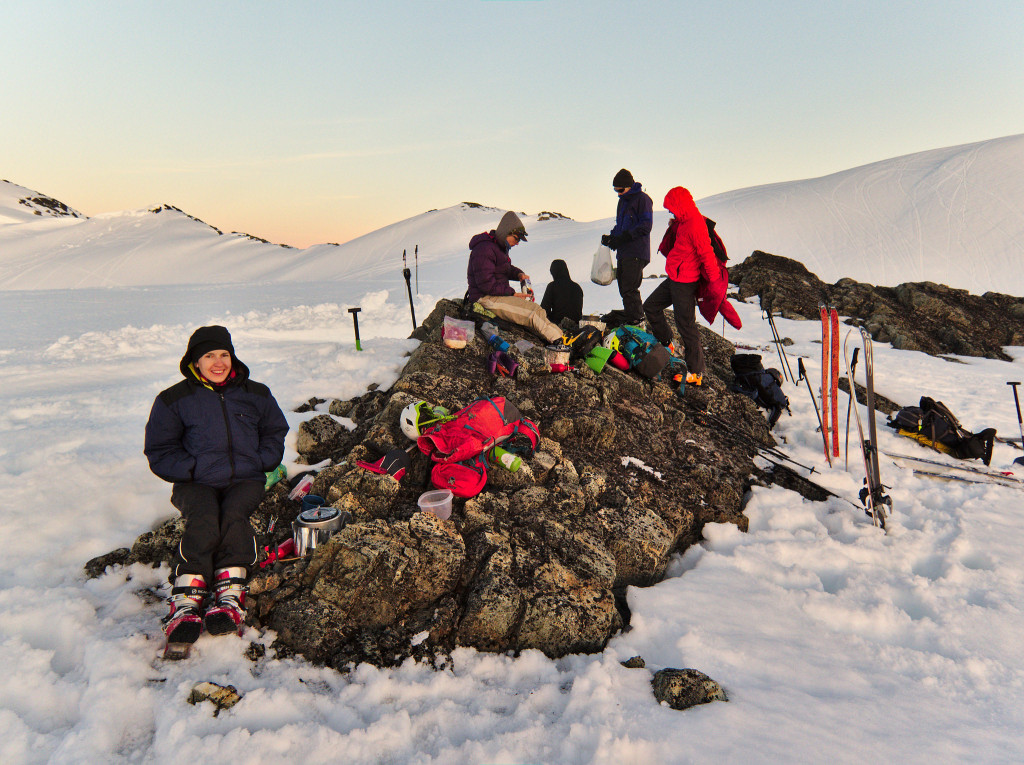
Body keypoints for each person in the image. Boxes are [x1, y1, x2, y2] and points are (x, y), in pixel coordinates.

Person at [144, 325, 288, 645]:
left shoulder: (256, 393)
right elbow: (160, 450)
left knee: (235, 515)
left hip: (245, 478)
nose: (218, 362)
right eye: (209, 356)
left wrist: (261, 460)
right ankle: (186, 599)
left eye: (224, 354)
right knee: (204, 518)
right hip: (195, 483)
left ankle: (230, 593)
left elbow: (274, 430)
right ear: (195, 362)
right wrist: (193, 468)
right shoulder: (173, 400)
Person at [643, 186, 722, 387]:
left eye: (672, 209)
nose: (671, 212)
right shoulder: (685, 221)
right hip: (674, 278)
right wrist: (676, 223)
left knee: (686, 326)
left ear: (680, 205)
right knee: (651, 306)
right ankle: (667, 343)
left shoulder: (695, 225)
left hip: (685, 283)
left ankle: (695, 372)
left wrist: (714, 282)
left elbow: (706, 253)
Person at [466, 210, 566, 347]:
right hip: (485, 298)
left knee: (536, 310)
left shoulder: (497, 247)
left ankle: (561, 337)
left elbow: (504, 268)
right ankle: (560, 341)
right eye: (516, 238)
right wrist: (512, 293)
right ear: (506, 232)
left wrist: (519, 274)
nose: (517, 243)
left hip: (496, 296)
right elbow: (485, 284)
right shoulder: (484, 249)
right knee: (532, 313)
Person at [601, 169, 652, 326]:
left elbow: (645, 225)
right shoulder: (622, 202)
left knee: (629, 287)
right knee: (623, 286)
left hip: (636, 251)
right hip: (624, 252)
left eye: (620, 190)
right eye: (615, 190)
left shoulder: (642, 199)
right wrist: (612, 237)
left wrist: (625, 237)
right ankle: (632, 316)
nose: (618, 194)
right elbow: (621, 226)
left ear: (629, 186)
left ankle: (637, 320)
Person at [539, 258, 584, 326]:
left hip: (558, 325)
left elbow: (544, 309)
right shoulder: (577, 287)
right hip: (577, 326)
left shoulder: (552, 286)